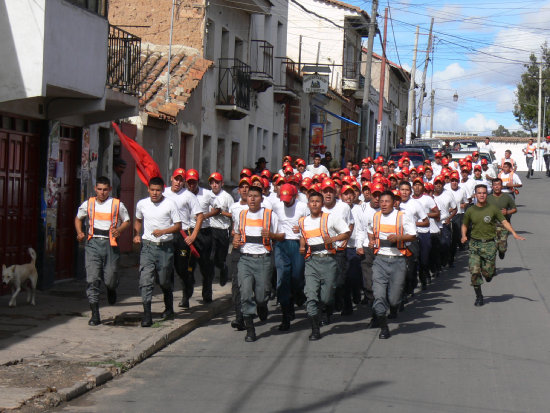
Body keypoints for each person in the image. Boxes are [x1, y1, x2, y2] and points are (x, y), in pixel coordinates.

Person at [75, 176, 131, 326]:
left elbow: (127, 220)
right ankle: (95, 314)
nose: (102, 192)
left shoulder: (117, 204)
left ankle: (111, 288)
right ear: (95, 189)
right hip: (93, 243)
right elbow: (78, 218)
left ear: (110, 190)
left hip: (110, 245)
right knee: (92, 279)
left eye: (105, 189)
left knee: (110, 278)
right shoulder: (89, 203)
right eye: (99, 189)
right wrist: (79, 232)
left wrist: (119, 230)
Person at [233, 186, 283, 342]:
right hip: (245, 259)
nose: (252, 199)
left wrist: (272, 235)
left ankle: (262, 306)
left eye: (255, 196)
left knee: (261, 296)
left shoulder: (270, 215)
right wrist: (235, 240)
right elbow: (236, 232)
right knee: (245, 292)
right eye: (249, 196)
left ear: (262, 199)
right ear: (246, 198)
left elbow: (281, 235)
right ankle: (250, 329)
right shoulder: (241, 215)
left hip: (263, 259)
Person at [461, 185, 525, 307]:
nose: (481, 195)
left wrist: (514, 233)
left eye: (484, 193)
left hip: (490, 244)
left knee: (488, 274)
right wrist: (463, 235)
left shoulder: (493, 209)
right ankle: (479, 296)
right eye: (479, 193)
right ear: (475, 195)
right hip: (474, 244)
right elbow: (464, 224)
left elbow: (504, 221)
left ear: (487, 194)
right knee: (474, 272)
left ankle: (488, 273)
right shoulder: (470, 210)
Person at [298, 191, 350, 340]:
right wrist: (302, 246)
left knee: (326, 298)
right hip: (311, 261)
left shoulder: (330, 218)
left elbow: (346, 232)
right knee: (311, 295)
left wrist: (333, 238)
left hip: (328, 261)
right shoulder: (303, 221)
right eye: (312, 201)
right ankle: (315, 328)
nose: (314, 204)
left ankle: (327, 306)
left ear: (322, 204)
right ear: (308, 204)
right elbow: (302, 236)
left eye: (317, 201)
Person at [134, 177, 182, 327]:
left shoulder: (170, 204)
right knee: (146, 280)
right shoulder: (142, 204)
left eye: (158, 190)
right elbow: (138, 219)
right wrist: (136, 234)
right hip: (148, 247)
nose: (155, 193)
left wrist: (163, 231)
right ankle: (147, 315)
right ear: (148, 189)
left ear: (163, 190)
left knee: (163, 280)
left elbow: (178, 226)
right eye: (152, 190)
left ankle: (169, 307)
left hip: (165, 247)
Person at [368, 191, 416, 339]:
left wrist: (398, 237)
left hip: (398, 260)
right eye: (381, 201)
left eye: (386, 201)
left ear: (394, 202)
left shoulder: (402, 216)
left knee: (394, 299)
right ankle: (384, 327)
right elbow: (370, 231)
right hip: (380, 260)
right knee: (379, 295)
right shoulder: (375, 216)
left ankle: (394, 306)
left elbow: (413, 235)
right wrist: (371, 241)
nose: (383, 204)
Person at [162, 169, 204, 309]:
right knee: (166, 268)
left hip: (183, 235)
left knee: (181, 268)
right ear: (171, 179)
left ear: (184, 182)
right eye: (176, 179)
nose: (178, 182)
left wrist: (193, 236)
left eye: (181, 180)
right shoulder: (164, 193)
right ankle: (169, 304)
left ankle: (187, 290)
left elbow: (199, 216)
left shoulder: (188, 196)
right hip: (167, 234)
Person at [271, 184, 309, 330]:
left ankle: (297, 294)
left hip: (297, 244)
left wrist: (301, 229)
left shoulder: (302, 207)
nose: (286, 202)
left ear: (295, 196)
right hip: (281, 244)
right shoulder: (277, 206)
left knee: (297, 277)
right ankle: (286, 314)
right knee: (282, 278)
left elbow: (308, 223)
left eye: (289, 199)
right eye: (284, 199)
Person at [186, 169, 220, 304]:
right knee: (187, 266)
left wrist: (205, 215)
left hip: (204, 233)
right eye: (189, 182)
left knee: (206, 266)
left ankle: (207, 293)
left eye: (193, 182)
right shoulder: (182, 195)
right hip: (187, 233)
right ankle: (186, 296)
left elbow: (217, 209)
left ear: (198, 182)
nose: (191, 185)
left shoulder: (206, 194)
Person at [228, 177, 251, 331]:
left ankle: (259, 305)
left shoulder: (260, 209)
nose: (243, 189)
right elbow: (233, 226)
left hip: (254, 251)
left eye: (247, 187)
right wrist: (234, 235)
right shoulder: (234, 207)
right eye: (241, 187)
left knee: (252, 286)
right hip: (238, 249)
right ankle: (239, 317)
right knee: (236, 284)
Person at [208, 172, 234, 287]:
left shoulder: (227, 197)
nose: (214, 185)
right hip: (210, 229)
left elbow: (233, 215)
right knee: (210, 256)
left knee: (220, 257)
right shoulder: (207, 195)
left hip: (222, 230)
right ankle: (210, 277)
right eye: (212, 183)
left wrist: (221, 212)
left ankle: (223, 268)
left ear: (221, 184)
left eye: (217, 182)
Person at [487, 178, 517, 260]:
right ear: (492, 187)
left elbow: (514, 209)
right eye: (495, 185)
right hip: (491, 225)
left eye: (498, 185)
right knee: (492, 247)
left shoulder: (507, 197)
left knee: (502, 246)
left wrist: (507, 212)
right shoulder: (488, 198)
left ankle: (501, 251)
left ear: (501, 186)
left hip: (504, 224)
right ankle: (492, 267)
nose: (497, 187)